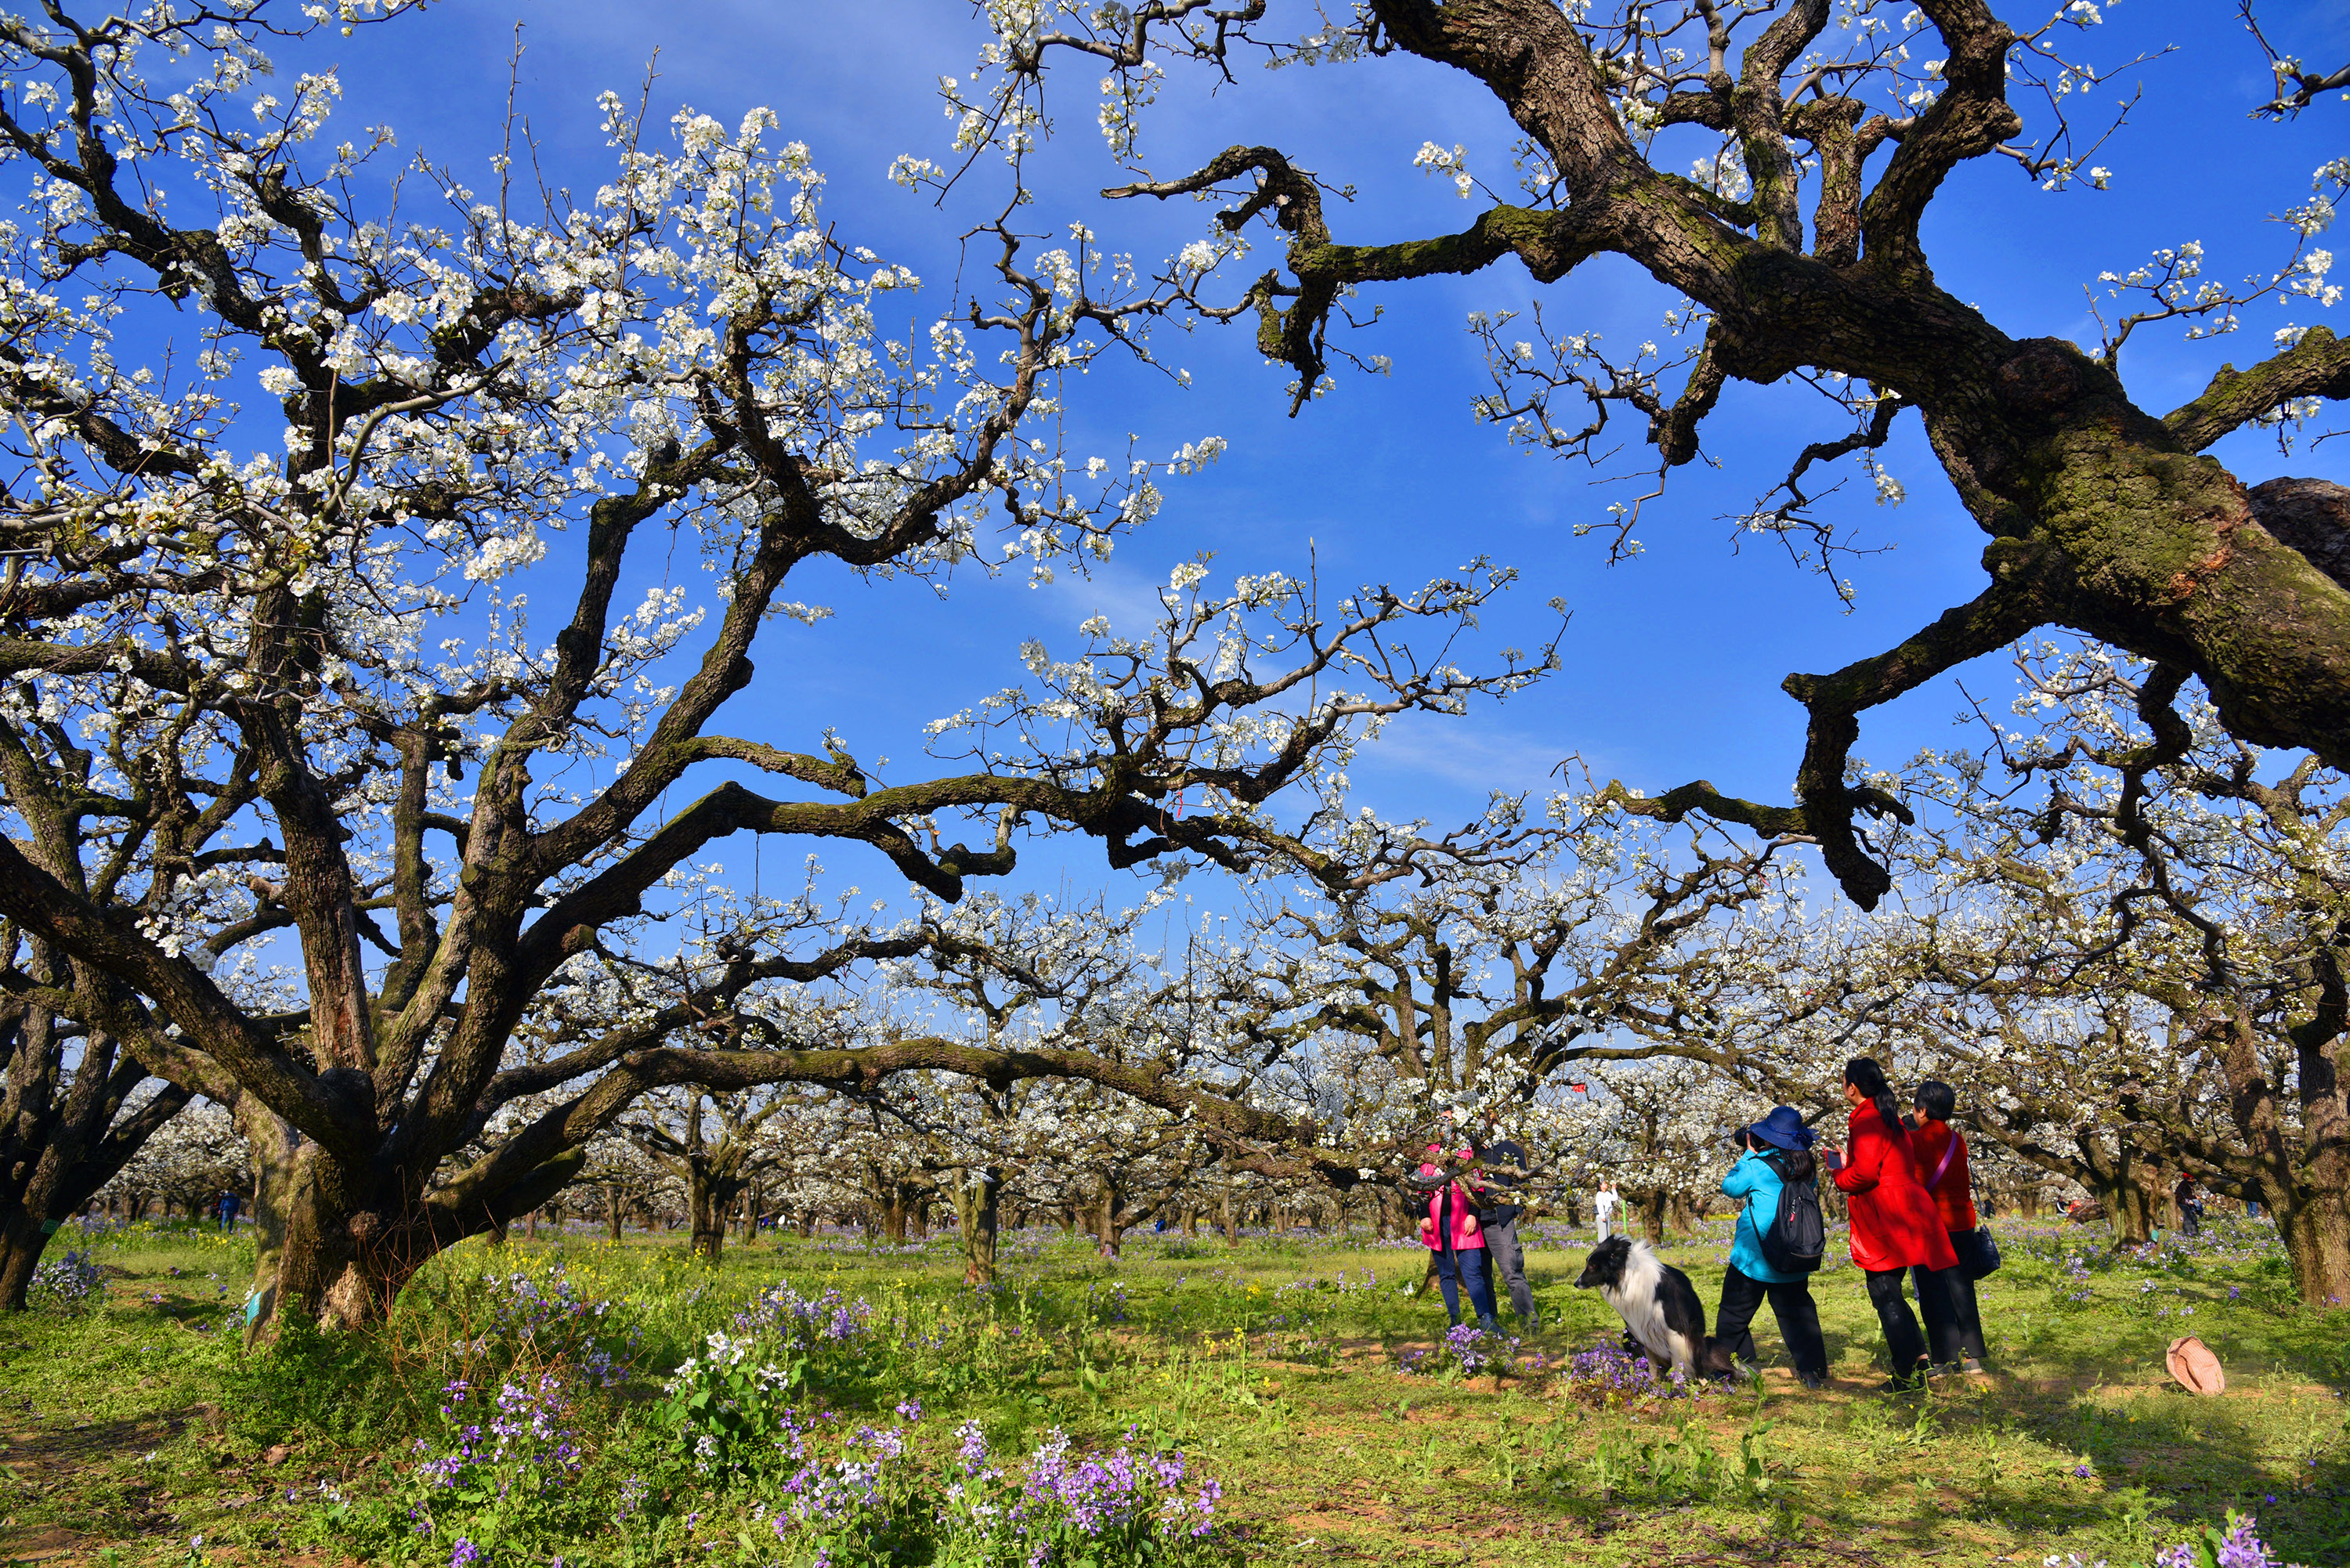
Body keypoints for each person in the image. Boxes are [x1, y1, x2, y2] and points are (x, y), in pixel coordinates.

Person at [1825, 1057, 1958, 1391]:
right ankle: (1919, 1360)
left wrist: (1841, 1176)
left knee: (1884, 1292)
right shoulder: (1886, 1116)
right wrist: (1849, 1162)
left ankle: (1906, 1372)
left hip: (1886, 1216)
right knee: (1889, 1291)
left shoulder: (1867, 1119)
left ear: (1851, 1087)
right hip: (1904, 1209)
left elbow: (1867, 1173)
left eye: (1843, 1081)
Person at [1712, 1107, 1831, 1389]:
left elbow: (1729, 1187)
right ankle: (1812, 1372)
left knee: (1733, 1316)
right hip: (1793, 1256)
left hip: (1754, 1258)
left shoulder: (1756, 1166)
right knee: (1798, 1317)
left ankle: (1728, 1368)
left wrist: (1749, 1153)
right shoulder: (1806, 1168)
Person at [1908, 1081, 1990, 1375]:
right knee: (1962, 1290)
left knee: (1932, 1292)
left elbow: (1914, 1184)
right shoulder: (1958, 1140)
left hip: (1931, 1226)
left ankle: (1943, 1359)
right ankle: (1972, 1359)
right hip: (1962, 1223)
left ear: (1923, 1110)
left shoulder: (1917, 1141)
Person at [1418, 1146, 1501, 1333]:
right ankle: (1454, 1321)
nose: (1447, 1126)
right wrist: (1424, 1216)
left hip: (1463, 1220)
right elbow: (1422, 1189)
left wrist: (1473, 1214)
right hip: (1437, 1223)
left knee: (1473, 1271)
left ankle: (1485, 1318)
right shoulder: (1430, 1154)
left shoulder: (1468, 1154)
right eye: (1443, 1121)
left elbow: (1477, 1188)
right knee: (1446, 1273)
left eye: (1450, 1120)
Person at [1470, 1111, 1539, 1332]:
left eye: (1489, 1116)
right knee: (1481, 1275)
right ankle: (1490, 1324)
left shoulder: (1512, 1149)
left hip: (1500, 1221)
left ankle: (1530, 1324)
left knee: (1512, 1272)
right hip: (1473, 1220)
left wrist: (1514, 1209)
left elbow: (1522, 1185)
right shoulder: (1472, 1149)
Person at [2175, 1171, 2204, 1237]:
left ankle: (2194, 1233)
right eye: (2192, 1178)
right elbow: (2188, 1195)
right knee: (2187, 1217)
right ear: (2189, 1178)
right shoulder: (2185, 1184)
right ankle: (2188, 1233)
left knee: (2193, 1217)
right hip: (2183, 1202)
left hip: (2185, 1202)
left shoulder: (2186, 1184)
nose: (2194, 1180)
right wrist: (2195, 1197)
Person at [1593, 1178, 1620, 1244]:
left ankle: (1608, 1247)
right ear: (1600, 1186)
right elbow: (1600, 1206)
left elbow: (1615, 1198)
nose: (1606, 1185)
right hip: (1602, 1215)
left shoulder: (1607, 1193)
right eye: (1604, 1184)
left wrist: (1613, 1190)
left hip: (1607, 1214)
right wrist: (1603, 1216)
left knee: (1608, 1233)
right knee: (1603, 1234)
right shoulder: (1599, 1194)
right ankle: (1602, 1248)